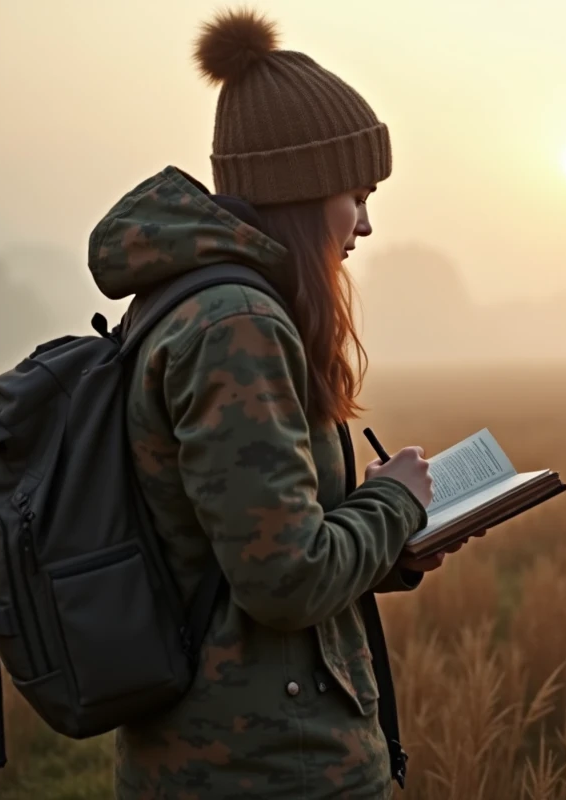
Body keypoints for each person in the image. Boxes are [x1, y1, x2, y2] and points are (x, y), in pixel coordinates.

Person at [84, 7, 474, 798]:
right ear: (300, 192)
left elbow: (238, 555)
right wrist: (395, 502)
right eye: (355, 195)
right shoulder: (238, 326)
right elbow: (284, 581)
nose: (365, 224)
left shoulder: (199, 305)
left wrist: (388, 551)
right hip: (268, 767)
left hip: (229, 755)